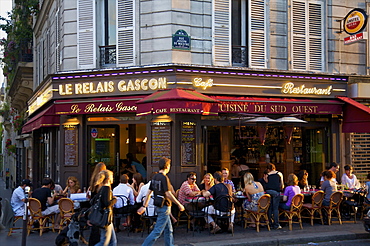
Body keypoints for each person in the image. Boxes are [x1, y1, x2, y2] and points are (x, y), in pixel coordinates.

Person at [137, 157, 185, 246]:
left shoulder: (155, 177)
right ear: (167, 166)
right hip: (165, 207)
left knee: (168, 230)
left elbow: (148, 193)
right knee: (157, 231)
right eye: (169, 165)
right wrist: (179, 204)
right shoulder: (164, 178)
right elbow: (168, 194)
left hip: (158, 206)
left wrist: (144, 206)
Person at [89, 170, 117, 246]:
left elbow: (92, 201)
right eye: (111, 177)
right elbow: (107, 203)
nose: (112, 178)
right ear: (108, 179)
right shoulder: (106, 188)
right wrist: (114, 200)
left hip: (105, 217)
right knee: (104, 241)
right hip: (105, 217)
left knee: (112, 241)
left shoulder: (101, 189)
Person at [87, 162, 106, 246]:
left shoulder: (93, 179)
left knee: (95, 228)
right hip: (99, 206)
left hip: (94, 206)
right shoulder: (102, 181)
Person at [265, 163, 284, 230]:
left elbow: (266, 183)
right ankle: (276, 224)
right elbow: (282, 184)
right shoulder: (279, 173)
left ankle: (270, 223)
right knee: (275, 208)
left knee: (269, 207)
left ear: (268, 169)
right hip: (276, 191)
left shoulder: (267, 175)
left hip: (268, 191)